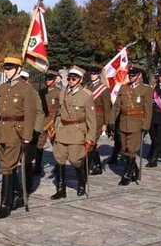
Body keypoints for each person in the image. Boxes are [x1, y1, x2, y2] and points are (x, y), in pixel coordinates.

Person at [0, 54, 37, 218]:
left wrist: (26, 138)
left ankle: (5, 204)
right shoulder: (3, 87)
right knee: (6, 166)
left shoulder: (26, 89)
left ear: (18, 69)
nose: (6, 71)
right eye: (5, 68)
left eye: (9, 68)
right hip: (3, 131)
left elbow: (30, 115)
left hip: (16, 132)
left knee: (6, 168)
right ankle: (17, 192)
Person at [50, 66, 96, 198]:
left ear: (80, 80)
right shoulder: (63, 93)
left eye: (73, 78)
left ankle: (82, 181)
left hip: (77, 131)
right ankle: (61, 188)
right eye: (69, 78)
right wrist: (54, 127)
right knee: (59, 160)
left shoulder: (86, 96)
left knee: (75, 160)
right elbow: (59, 113)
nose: (70, 80)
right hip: (62, 130)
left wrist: (90, 137)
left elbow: (91, 120)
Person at [108, 66, 153, 185]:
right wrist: (111, 121)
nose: (131, 77)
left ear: (139, 76)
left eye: (133, 75)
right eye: (130, 75)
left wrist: (145, 125)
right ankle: (135, 170)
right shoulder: (124, 88)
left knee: (132, 150)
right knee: (124, 150)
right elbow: (117, 106)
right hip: (123, 122)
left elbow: (148, 109)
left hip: (136, 123)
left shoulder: (146, 90)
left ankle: (126, 175)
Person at [84, 66, 111, 174]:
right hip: (87, 117)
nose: (92, 75)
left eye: (95, 73)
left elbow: (107, 108)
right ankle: (98, 166)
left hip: (98, 118)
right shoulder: (87, 87)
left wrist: (106, 123)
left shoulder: (104, 89)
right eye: (91, 73)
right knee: (92, 143)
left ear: (99, 75)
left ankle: (85, 167)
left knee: (90, 142)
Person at [36, 71, 61, 177]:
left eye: (50, 79)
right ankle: (37, 166)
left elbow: (61, 109)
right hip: (43, 120)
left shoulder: (59, 92)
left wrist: (56, 122)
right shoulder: (41, 92)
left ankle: (59, 165)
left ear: (55, 80)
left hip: (53, 121)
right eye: (46, 79)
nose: (47, 81)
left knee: (56, 144)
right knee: (39, 144)